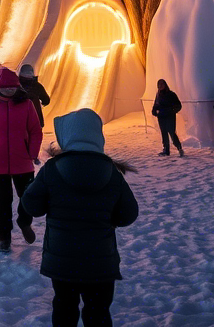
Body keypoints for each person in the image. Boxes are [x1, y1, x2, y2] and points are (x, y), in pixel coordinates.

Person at [22, 109, 139, 327]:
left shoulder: (52, 170)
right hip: (100, 261)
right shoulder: (112, 172)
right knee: (98, 312)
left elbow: (31, 206)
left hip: (62, 260)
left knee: (64, 308)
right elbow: (128, 214)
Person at [0, 67, 42, 252]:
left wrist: (32, 152)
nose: (10, 91)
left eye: (13, 87)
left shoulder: (26, 104)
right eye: (6, 88)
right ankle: (4, 238)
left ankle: (24, 221)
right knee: (3, 201)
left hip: (23, 161)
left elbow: (35, 131)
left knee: (28, 196)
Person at [150, 79, 184, 157]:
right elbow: (156, 104)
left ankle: (179, 148)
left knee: (172, 133)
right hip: (161, 117)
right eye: (159, 84)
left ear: (165, 85)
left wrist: (171, 111)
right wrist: (154, 111)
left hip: (170, 117)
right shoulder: (158, 95)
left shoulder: (171, 94)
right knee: (164, 133)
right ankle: (166, 150)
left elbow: (178, 105)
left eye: (162, 84)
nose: (160, 86)